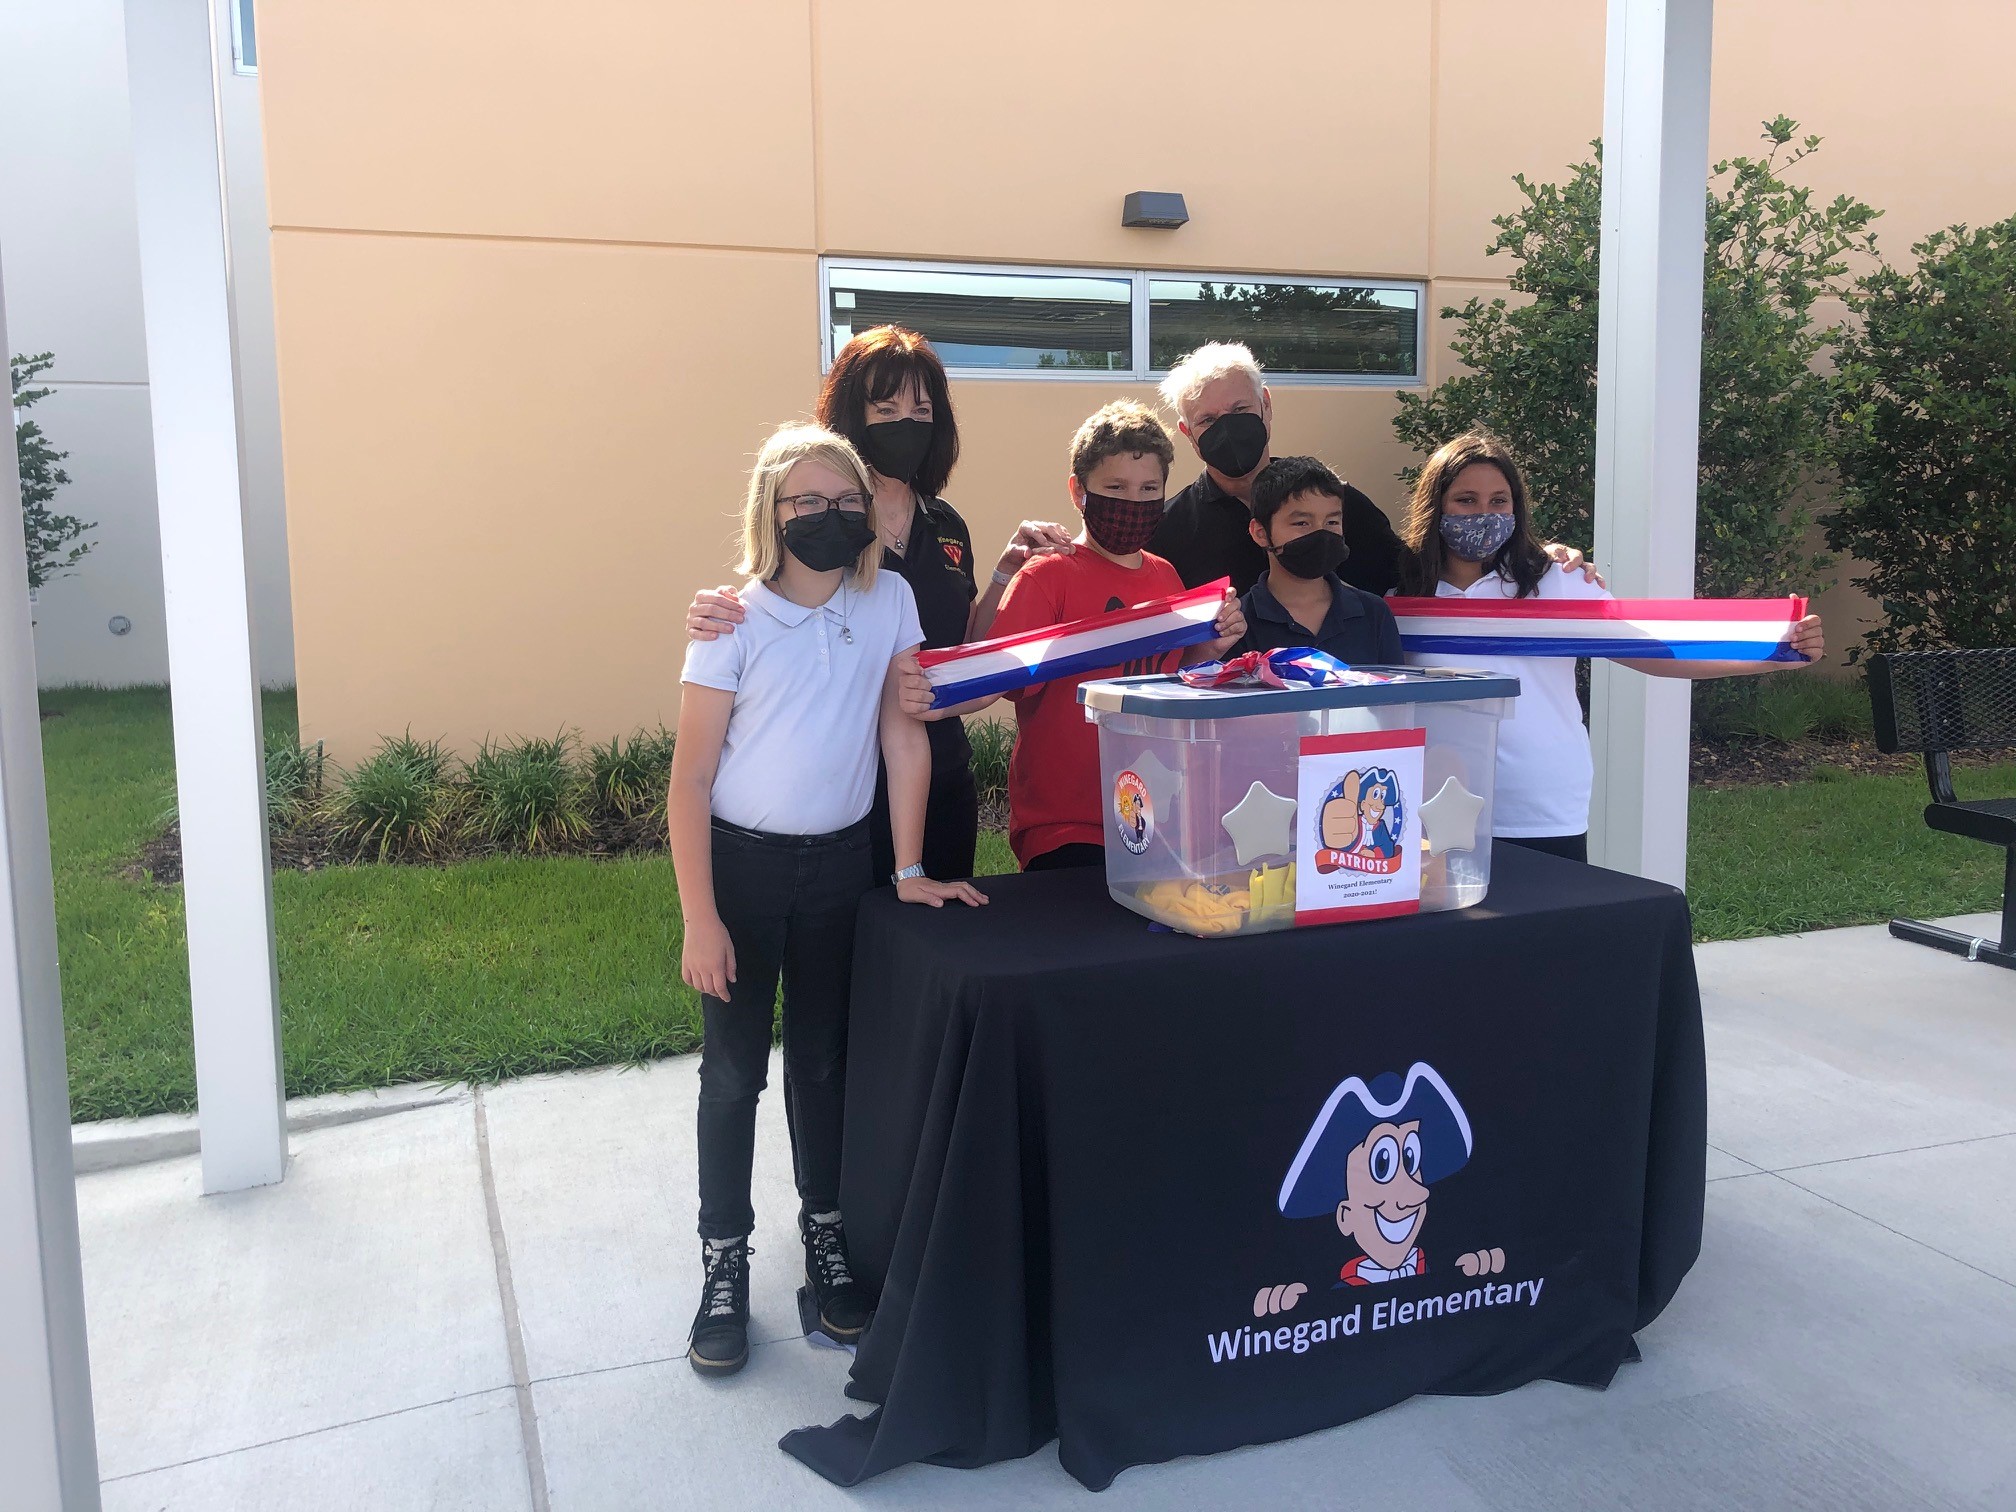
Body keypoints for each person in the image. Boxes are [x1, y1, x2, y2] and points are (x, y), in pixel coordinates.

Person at [669, 422, 986, 1379]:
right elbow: (687, 783)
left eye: (844, 501)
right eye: (804, 501)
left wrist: (905, 869)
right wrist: (700, 916)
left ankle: (828, 1238)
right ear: (770, 512)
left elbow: (902, 739)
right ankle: (724, 1262)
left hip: (843, 869)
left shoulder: (887, 598)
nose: (827, 515)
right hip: (742, 873)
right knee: (732, 1075)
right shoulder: (732, 619)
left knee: (823, 1064)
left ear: (869, 513)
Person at [682, 327, 1074, 884]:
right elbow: (770, 598)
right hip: (849, 788)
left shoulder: (946, 525)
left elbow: (959, 643)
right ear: (850, 417)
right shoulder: (827, 520)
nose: (906, 424)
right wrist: (709, 610)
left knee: (933, 948)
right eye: (885, 408)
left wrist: (1003, 575)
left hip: (940, 772)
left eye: (921, 409)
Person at [1398, 432, 1826, 863]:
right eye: (1466, 500)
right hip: (1430, 801)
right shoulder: (1399, 595)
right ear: (1436, 506)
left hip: (1539, 801)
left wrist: (1774, 653)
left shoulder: (1556, 581)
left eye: (1499, 501)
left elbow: (1652, 651)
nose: (1485, 514)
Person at [926, 400, 1245, 870]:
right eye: (1116, 487)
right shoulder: (1047, 575)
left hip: (1151, 814)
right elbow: (1005, 682)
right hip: (1062, 823)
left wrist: (1210, 646)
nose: (1133, 502)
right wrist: (927, 695)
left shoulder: (1167, 579)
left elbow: (1175, 683)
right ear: (1079, 492)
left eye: (1148, 489)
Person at [1150, 341, 1600, 596]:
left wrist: (1547, 558)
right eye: (1208, 420)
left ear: (1266, 407)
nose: (1226, 429)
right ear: (1187, 433)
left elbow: (1428, 575)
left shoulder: (1344, 505)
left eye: (1239, 409)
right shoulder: (1168, 531)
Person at [1237, 456, 1404, 666]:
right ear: (1260, 533)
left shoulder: (1373, 613)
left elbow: (1393, 695)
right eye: (1302, 522)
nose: (1321, 533)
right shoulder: (1238, 623)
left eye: (1332, 521)